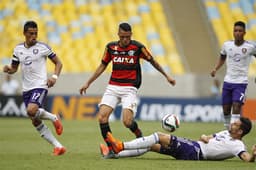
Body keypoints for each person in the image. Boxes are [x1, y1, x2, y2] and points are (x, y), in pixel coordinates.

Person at [79, 22, 176, 158]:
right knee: (102, 117)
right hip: (113, 87)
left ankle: (138, 134)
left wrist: (167, 76)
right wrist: (88, 83)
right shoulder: (110, 47)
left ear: (131, 35)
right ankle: (111, 149)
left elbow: (153, 61)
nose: (125, 39)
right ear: (118, 35)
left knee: (127, 122)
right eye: (123, 36)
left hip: (129, 88)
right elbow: (102, 66)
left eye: (128, 37)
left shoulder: (138, 47)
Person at [3, 21, 66, 156]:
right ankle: (58, 146)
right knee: (34, 119)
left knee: (31, 110)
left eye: (36, 33)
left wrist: (54, 77)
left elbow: (59, 63)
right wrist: (9, 69)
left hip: (40, 85)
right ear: (24, 33)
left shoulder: (43, 47)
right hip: (26, 89)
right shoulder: (18, 49)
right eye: (31, 33)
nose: (34, 36)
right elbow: (14, 68)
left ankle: (54, 118)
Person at [104, 117, 256, 162]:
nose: (233, 123)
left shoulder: (237, 145)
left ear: (240, 131)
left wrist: (254, 155)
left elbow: (246, 158)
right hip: (194, 146)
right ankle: (115, 154)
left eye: (236, 124)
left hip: (195, 152)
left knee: (159, 136)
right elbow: (208, 137)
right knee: (152, 145)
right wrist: (204, 137)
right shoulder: (225, 132)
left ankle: (120, 146)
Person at [210, 21, 256, 130]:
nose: (237, 33)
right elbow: (222, 57)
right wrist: (215, 69)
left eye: (240, 31)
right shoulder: (227, 45)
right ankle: (228, 131)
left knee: (236, 106)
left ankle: (234, 133)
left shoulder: (250, 47)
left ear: (244, 32)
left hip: (241, 83)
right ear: (233, 32)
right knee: (226, 109)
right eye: (235, 31)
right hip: (228, 82)